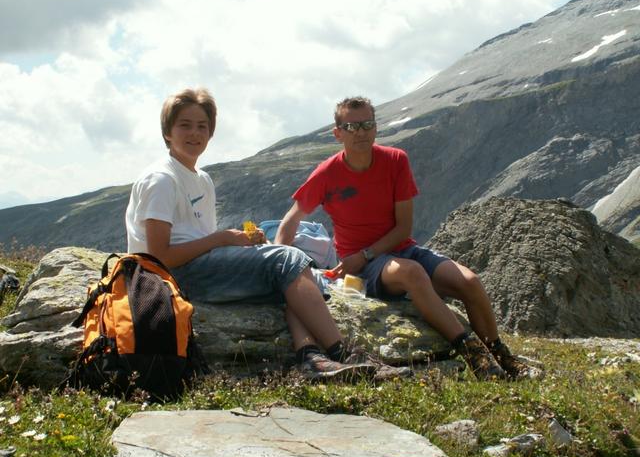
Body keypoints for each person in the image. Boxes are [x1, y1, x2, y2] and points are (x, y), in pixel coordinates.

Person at [275, 96, 542, 380]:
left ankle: (501, 356)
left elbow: (403, 229)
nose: (361, 132)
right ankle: (475, 356)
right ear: (338, 133)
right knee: (413, 274)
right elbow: (291, 218)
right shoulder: (328, 173)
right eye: (352, 127)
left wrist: (365, 254)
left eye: (367, 124)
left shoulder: (395, 160)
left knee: (470, 282)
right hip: (366, 268)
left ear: (376, 128)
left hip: (396, 250)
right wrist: (280, 261)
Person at [125, 87, 377, 381]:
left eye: (202, 126)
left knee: (288, 268)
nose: (194, 133)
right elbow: (159, 256)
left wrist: (241, 244)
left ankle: (311, 356)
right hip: (168, 278)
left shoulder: (201, 179)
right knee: (287, 260)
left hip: (196, 267)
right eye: (185, 125)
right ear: (167, 131)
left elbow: (197, 241)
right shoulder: (162, 180)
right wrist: (222, 239)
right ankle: (342, 353)